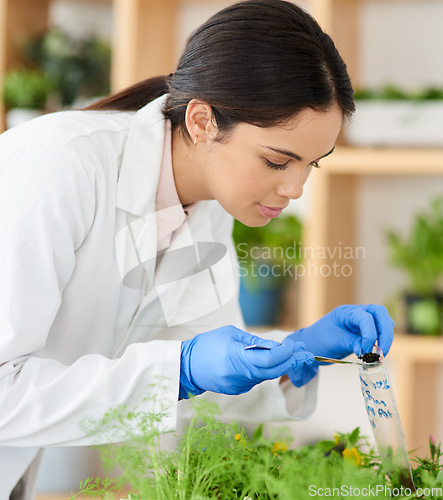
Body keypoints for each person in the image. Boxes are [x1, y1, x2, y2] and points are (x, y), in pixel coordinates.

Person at [0, 0, 394, 497]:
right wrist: (180, 369)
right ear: (203, 121)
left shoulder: (205, 209)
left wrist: (297, 356)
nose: (297, 189)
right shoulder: (58, 166)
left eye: (312, 164)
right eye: (278, 161)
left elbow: (208, 384)